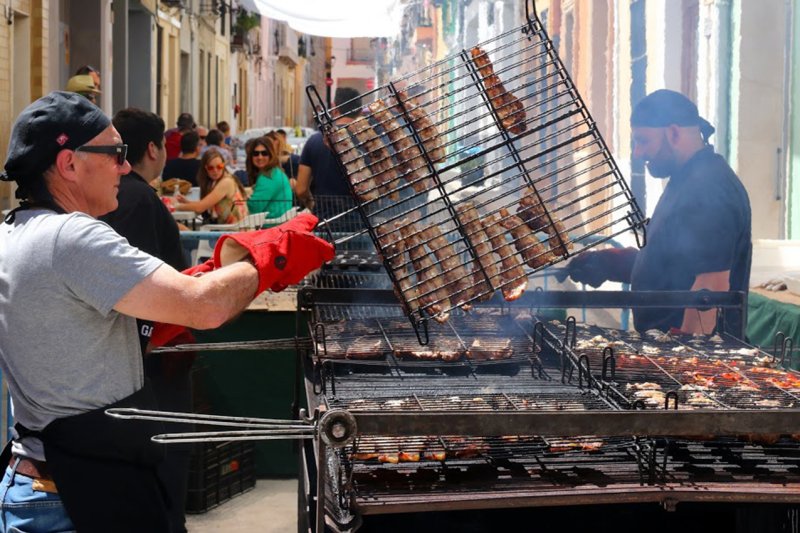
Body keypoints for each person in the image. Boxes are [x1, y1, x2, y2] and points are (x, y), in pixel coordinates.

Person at [0, 91, 333, 532]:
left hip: (46, 483)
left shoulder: (14, 231)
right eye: (114, 153)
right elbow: (206, 307)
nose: (124, 166)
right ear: (69, 163)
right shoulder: (71, 237)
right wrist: (274, 256)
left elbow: (95, 331)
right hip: (79, 497)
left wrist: (213, 272)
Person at [567, 89, 752, 337]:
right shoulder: (686, 180)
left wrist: (687, 359)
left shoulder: (709, 188)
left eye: (642, 141)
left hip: (693, 357)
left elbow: (711, 288)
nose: (637, 153)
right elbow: (677, 265)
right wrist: (613, 263)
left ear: (673, 133)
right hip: (665, 345)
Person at [98, 107, 192, 533]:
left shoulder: (127, 195)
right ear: (153, 149)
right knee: (164, 461)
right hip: (150, 369)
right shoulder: (137, 199)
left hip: (139, 363)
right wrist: (147, 347)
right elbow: (145, 289)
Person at [296, 87, 362, 218]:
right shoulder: (369, 140)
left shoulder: (314, 140)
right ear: (360, 111)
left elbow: (301, 189)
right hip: (362, 221)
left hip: (326, 221)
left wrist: (313, 206)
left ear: (334, 107)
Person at [174, 148, 248, 224]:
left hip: (234, 231)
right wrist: (187, 202)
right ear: (205, 168)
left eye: (219, 166)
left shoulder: (226, 182)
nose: (215, 171)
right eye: (210, 168)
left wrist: (175, 206)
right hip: (231, 228)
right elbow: (203, 205)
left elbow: (200, 208)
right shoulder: (215, 182)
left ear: (224, 165)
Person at [245, 136, 293, 218]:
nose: (260, 157)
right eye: (256, 154)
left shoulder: (268, 177)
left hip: (271, 226)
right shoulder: (275, 172)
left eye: (264, 153)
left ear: (271, 155)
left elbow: (254, 208)